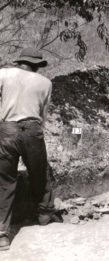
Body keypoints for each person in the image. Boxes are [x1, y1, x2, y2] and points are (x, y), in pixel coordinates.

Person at [0, 48, 60, 251]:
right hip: (32, 128)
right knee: (39, 171)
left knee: (5, 180)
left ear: (20, 62)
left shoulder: (4, 73)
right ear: (37, 65)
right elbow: (44, 115)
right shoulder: (45, 83)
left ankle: (2, 235)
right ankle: (44, 214)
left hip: (7, 129)